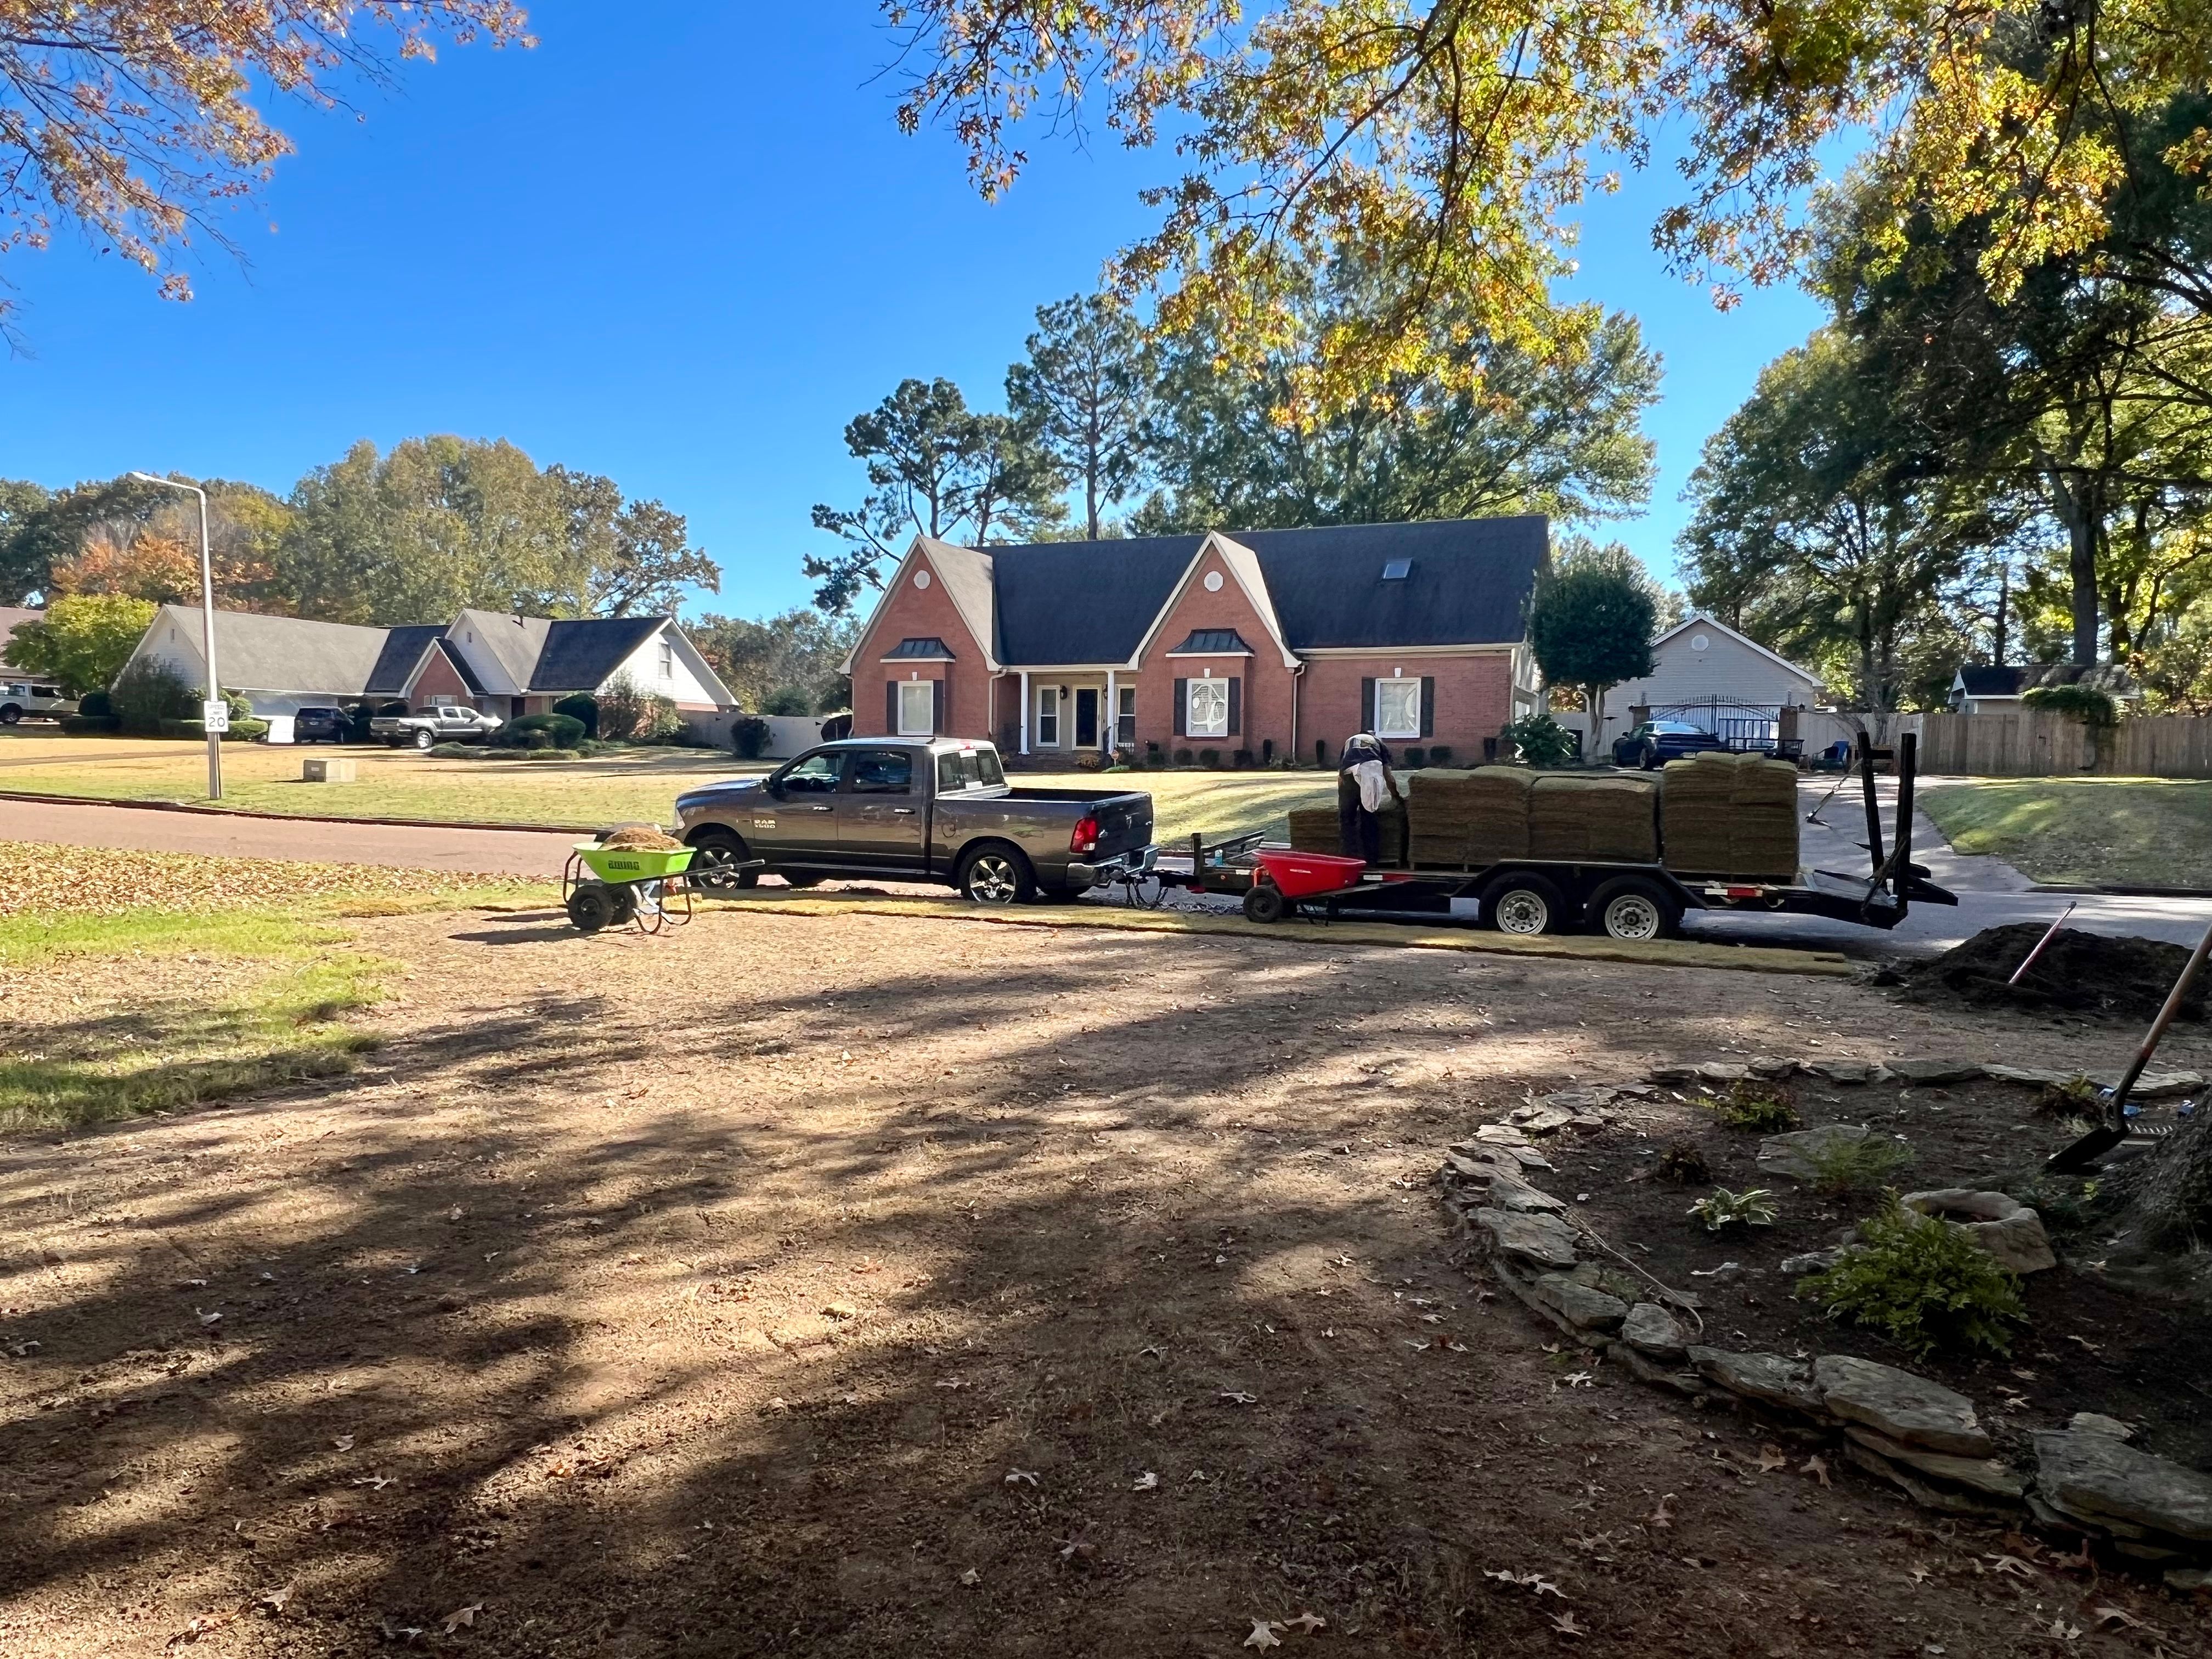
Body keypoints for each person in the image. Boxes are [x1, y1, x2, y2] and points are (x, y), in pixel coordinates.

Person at [1337, 732, 1403, 865]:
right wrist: (1396, 796)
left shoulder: (1349, 742)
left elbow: (1340, 776)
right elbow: (1388, 776)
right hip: (1369, 771)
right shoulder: (1379, 744)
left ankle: (1349, 858)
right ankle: (1371, 860)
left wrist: (1344, 802)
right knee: (1369, 816)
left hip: (1348, 775)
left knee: (1347, 820)